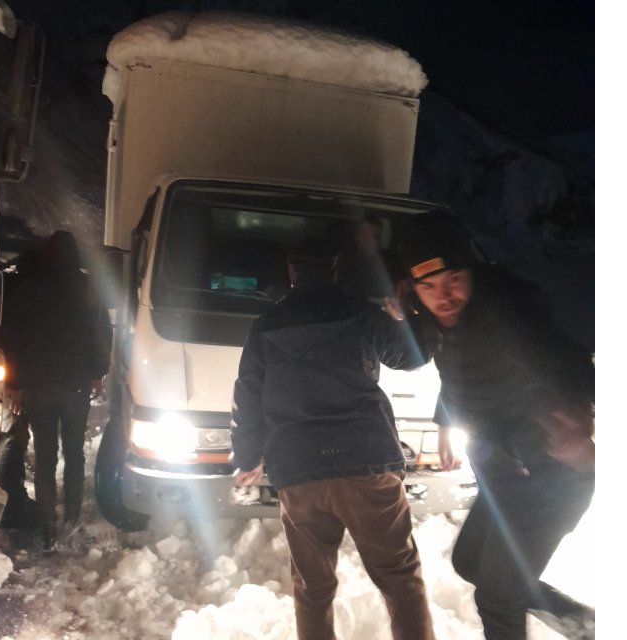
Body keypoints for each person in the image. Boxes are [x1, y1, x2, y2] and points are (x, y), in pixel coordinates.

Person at [396, 210, 596, 640]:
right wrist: (447, 423)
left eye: (452, 279)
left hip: (550, 477)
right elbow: (458, 376)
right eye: (428, 287)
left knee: (497, 598)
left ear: (472, 270)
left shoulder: (507, 316)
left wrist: (581, 415)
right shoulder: (445, 322)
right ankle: (583, 626)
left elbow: (570, 365)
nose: (443, 296)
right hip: (508, 476)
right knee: (470, 564)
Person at [231, 237, 436, 640]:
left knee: (312, 587)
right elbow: (413, 355)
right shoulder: (361, 312)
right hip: (366, 463)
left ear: (292, 272)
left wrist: (248, 455)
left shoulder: (267, 324)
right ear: (335, 266)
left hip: (299, 469)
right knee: (399, 577)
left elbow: (248, 393)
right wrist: (407, 311)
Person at [0, 230, 111, 552]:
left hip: (37, 383)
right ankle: (71, 521)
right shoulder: (87, 288)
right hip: (75, 383)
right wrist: (98, 373)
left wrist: (15, 383)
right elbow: (101, 335)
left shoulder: (28, 288)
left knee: (45, 456)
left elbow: (12, 338)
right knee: (74, 453)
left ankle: (48, 527)